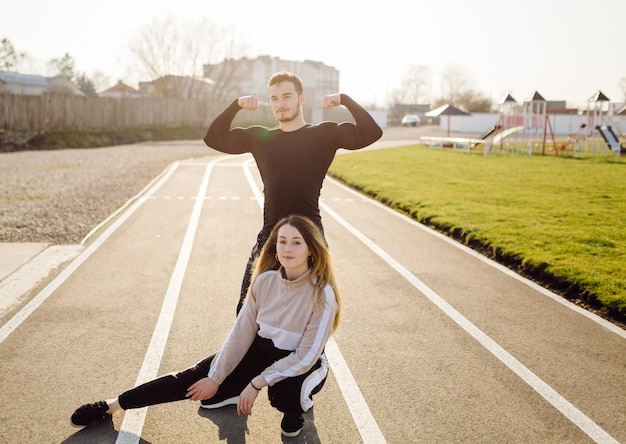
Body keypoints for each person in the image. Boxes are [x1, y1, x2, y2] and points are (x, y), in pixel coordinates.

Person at [70, 215, 342, 438]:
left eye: (296, 243)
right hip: (261, 351)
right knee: (193, 379)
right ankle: (111, 405)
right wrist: (216, 376)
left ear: (311, 249)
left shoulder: (323, 294)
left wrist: (257, 384)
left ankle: (293, 412)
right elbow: (241, 335)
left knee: (284, 394)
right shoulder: (264, 281)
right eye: (282, 241)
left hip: (303, 362)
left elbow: (305, 357)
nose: (287, 249)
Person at [204, 71, 382, 313]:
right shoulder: (261, 137)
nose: (280, 104)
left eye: (287, 96)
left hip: (310, 237)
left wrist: (344, 99)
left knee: (315, 312)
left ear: (301, 98)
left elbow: (372, 132)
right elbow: (213, 138)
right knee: (246, 312)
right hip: (270, 237)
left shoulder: (324, 134)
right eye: (274, 98)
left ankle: (317, 353)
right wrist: (236, 105)